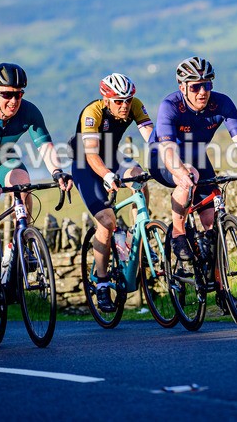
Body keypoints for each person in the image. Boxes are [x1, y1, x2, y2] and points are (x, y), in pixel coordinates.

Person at [0, 63, 72, 329]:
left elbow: (45, 145)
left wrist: (57, 171)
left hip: (5, 160)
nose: (13, 100)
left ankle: (22, 242)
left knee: (23, 182)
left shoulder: (29, 110)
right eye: (7, 94)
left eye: (18, 94)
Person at [150, 56, 237, 264]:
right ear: (182, 87)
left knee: (211, 219)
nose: (203, 92)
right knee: (189, 174)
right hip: (163, 157)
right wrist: (181, 173)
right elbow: (168, 150)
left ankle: (219, 286)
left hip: (197, 157)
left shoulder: (221, 103)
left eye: (207, 85)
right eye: (195, 87)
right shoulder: (170, 106)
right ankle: (177, 233)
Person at [71, 73, 154, 312]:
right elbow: (91, 155)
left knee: (139, 177)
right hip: (85, 163)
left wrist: (166, 157)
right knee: (106, 221)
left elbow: (152, 138)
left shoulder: (135, 106)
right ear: (106, 100)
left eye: (128, 100)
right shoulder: (93, 112)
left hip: (112, 156)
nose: (125, 105)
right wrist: (106, 175)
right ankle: (102, 281)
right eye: (118, 101)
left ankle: (134, 235)